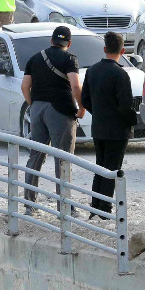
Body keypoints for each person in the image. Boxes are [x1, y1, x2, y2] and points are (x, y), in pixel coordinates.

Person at [21, 26, 84, 211]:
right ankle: (64, 207)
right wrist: (82, 108)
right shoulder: (70, 59)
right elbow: (75, 85)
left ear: (51, 40)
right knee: (63, 158)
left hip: (37, 109)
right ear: (69, 43)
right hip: (60, 111)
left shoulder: (35, 58)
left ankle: (29, 204)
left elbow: (25, 87)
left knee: (36, 156)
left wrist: (34, 104)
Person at [80, 32, 137, 216]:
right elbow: (126, 105)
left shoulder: (92, 71)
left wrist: (98, 112)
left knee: (100, 167)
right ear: (123, 50)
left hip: (99, 126)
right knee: (112, 168)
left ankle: (95, 205)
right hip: (117, 130)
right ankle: (104, 207)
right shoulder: (120, 74)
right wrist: (132, 121)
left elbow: (85, 99)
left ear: (104, 49)